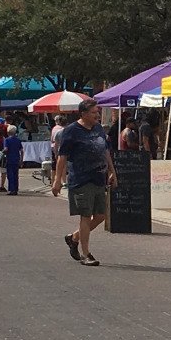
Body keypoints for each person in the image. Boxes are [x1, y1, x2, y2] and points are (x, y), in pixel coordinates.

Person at [53, 98, 114, 265]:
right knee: (86, 216)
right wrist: (57, 179)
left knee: (101, 216)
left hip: (98, 178)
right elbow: (62, 156)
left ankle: (74, 238)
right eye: (94, 113)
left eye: (97, 112)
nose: (98, 115)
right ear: (83, 114)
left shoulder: (98, 129)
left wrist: (112, 171)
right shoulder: (71, 131)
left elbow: (105, 151)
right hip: (81, 179)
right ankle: (86, 254)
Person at [1, 125, 23, 194]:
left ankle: (11, 189)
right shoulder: (18, 140)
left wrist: (2, 152)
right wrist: (21, 160)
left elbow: (6, 149)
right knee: (16, 174)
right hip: (16, 158)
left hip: (9, 158)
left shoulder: (7, 140)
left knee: (10, 175)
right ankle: (16, 189)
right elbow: (22, 150)